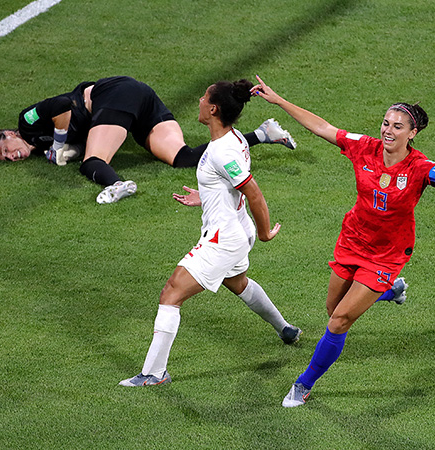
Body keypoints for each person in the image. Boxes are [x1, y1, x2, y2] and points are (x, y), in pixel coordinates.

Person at [250, 75, 435, 407]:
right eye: (386, 123)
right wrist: (280, 101)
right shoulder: (364, 147)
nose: (388, 130)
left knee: (339, 320)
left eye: (398, 126)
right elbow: (324, 128)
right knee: (333, 309)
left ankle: (304, 383)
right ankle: (391, 292)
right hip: (353, 240)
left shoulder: (419, 167)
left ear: (412, 133)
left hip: (386, 254)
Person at [119, 79, 301, 387]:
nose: (200, 101)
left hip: (224, 238)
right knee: (238, 283)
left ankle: (154, 373)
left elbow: (253, 193)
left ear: (213, 108)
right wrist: (207, 194)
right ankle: (285, 329)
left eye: (204, 97)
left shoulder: (222, 152)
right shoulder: (234, 140)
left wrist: (266, 231)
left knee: (171, 293)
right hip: (237, 230)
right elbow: (228, 184)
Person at [0, 76, 297, 204]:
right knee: (181, 157)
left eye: (7, 149)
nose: (13, 155)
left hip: (115, 95)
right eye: (7, 159)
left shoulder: (27, 122)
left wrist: (61, 145)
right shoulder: (40, 150)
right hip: (139, 99)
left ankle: (117, 185)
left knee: (93, 163)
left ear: (10, 135)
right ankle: (264, 134)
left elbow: (62, 106)